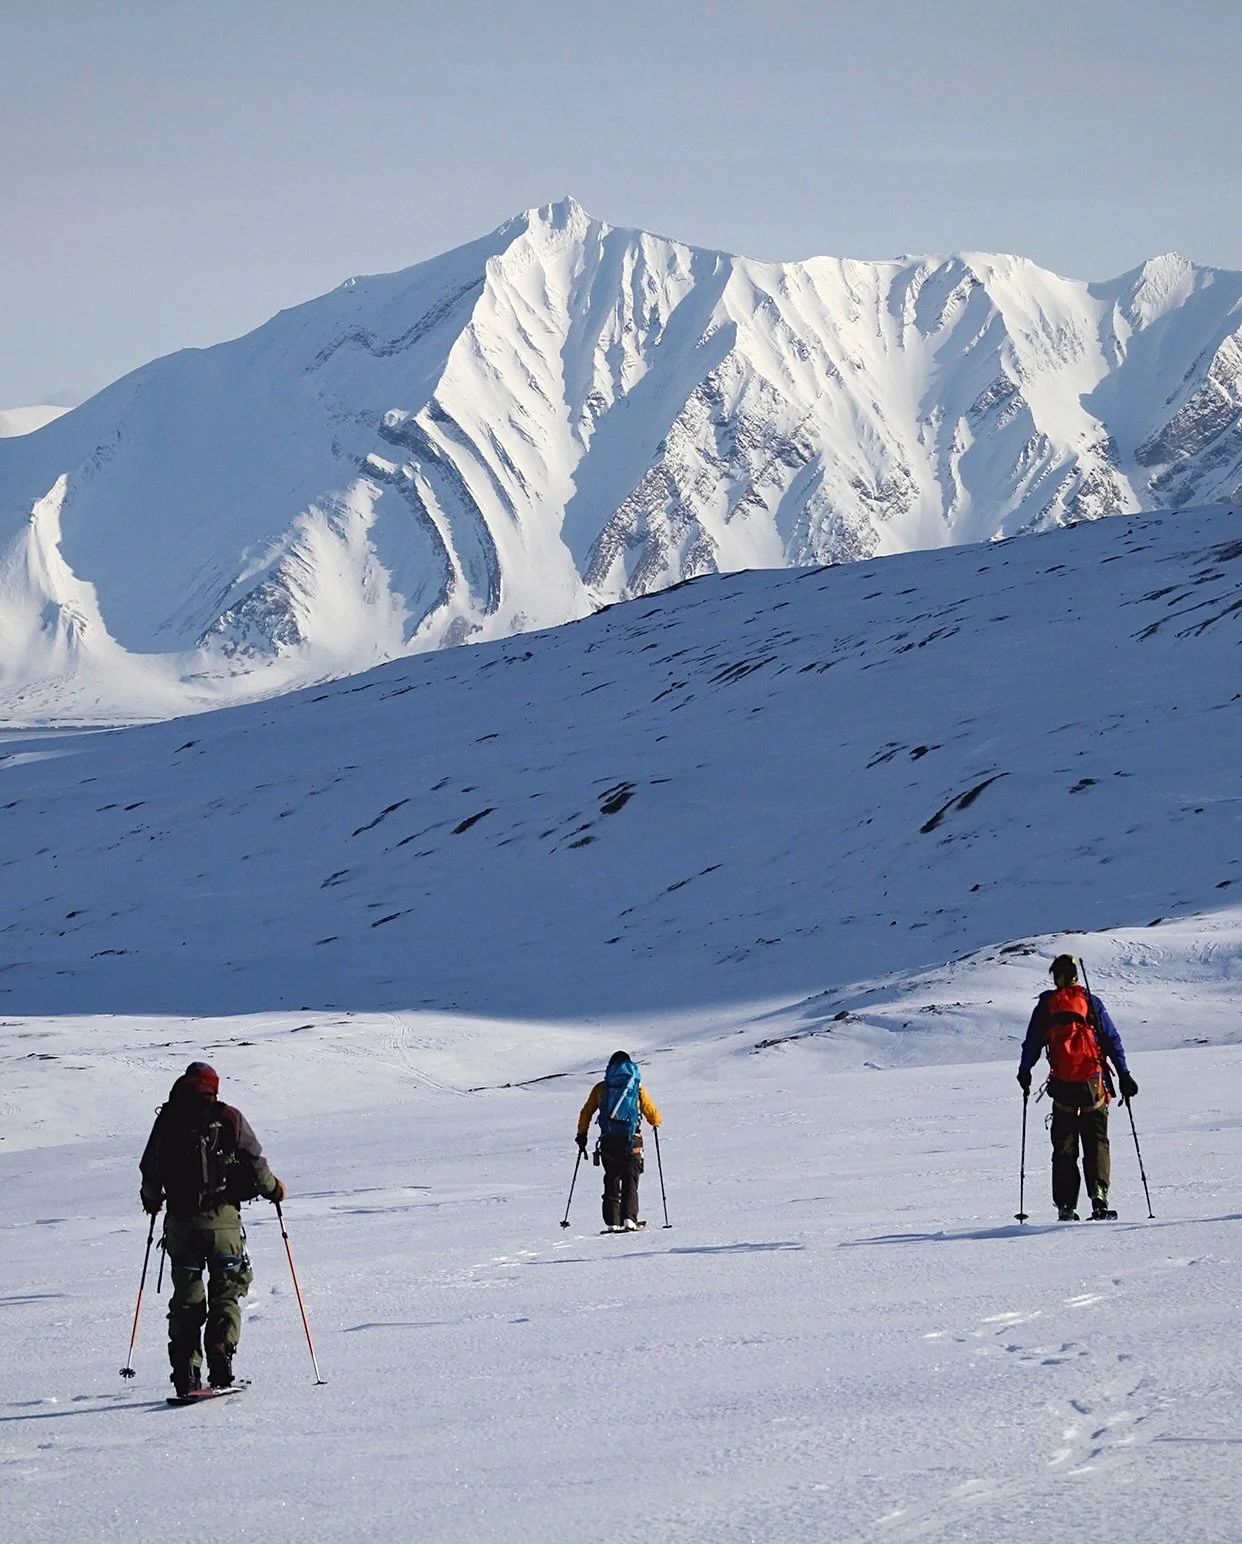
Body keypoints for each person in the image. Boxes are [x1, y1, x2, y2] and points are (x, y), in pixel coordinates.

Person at [139, 1061, 285, 1396]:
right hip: (224, 1225)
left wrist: (151, 1200)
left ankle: (187, 1372)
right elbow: (255, 1163)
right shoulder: (228, 1117)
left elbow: (150, 1169)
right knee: (227, 1291)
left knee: (187, 1300)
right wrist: (274, 1190)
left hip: (181, 1226)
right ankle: (221, 1355)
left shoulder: (167, 1121)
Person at [1017, 955, 1138, 1221]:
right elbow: (1111, 1039)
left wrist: (1024, 1071)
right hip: (1093, 1085)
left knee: (1064, 1148)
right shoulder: (1091, 1003)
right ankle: (1099, 1198)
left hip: (1062, 1088)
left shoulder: (1047, 1007)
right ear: (1075, 976)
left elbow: (1033, 1043)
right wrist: (1124, 1074)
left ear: (1055, 977)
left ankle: (1066, 1206)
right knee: (1096, 1143)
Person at [576, 1051, 662, 1231]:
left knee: (612, 1179)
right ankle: (629, 1219)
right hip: (632, 1141)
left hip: (608, 1142)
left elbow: (586, 1112)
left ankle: (612, 1222)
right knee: (630, 1180)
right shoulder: (637, 1088)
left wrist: (582, 1134)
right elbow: (652, 1114)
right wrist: (656, 1122)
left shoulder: (601, 1088)